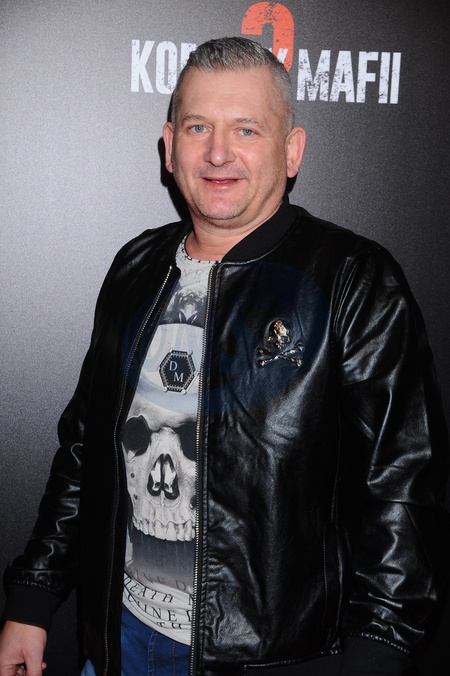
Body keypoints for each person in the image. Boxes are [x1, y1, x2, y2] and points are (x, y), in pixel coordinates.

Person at [0, 36, 449, 676]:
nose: (217, 152)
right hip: (118, 642)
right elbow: (84, 447)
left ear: (291, 151)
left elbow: (402, 485)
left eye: (246, 129)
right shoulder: (136, 266)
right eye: (197, 127)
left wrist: (377, 652)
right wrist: (34, 596)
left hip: (268, 659)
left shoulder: (352, 280)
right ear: (169, 146)